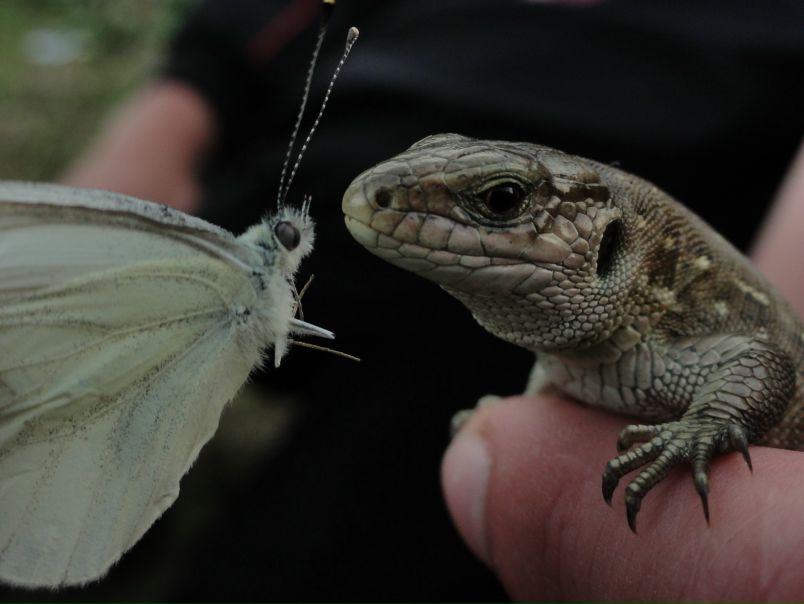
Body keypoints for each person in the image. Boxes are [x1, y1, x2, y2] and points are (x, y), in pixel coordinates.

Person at [61, 0, 804, 600]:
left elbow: (762, 367)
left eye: (503, 201)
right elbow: (221, 47)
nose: (389, 196)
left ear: (611, 245)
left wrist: (704, 426)